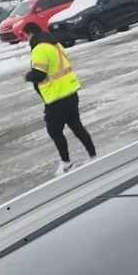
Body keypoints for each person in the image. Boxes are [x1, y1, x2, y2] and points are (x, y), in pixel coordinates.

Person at [21, 22, 96, 175]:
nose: (26, 40)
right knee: (76, 126)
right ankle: (93, 154)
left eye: (26, 36)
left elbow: (39, 74)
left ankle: (66, 163)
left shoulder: (39, 48)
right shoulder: (55, 44)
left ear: (30, 34)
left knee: (54, 131)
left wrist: (27, 76)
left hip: (56, 97)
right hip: (70, 92)